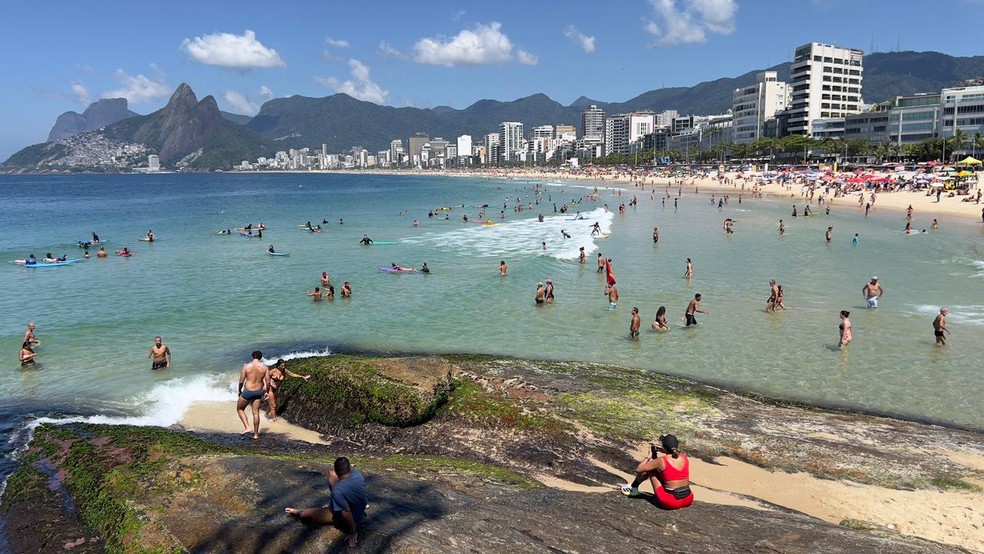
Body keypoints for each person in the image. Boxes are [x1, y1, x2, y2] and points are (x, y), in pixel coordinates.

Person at [285, 457, 368, 548]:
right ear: (349, 468)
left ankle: (297, 512)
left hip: (349, 516)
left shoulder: (337, 490)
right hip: (359, 506)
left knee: (305, 514)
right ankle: (337, 502)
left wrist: (353, 531)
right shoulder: (357, 474)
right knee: (330, 474)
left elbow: (346, 512)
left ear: (337, 470)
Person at [620, 434, 694, 509]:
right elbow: (673, 457)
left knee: (651, 470)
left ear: (664, 447)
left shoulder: (661, 461)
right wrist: (664, 450)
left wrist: (648, 457)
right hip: (688, 498)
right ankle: (633, 487)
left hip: (671, 501)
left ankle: (633, 488)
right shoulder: (683, 455)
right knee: (667, 473)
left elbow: (639, 469)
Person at [237, 351, 270, 439]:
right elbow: (268, 381)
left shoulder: (246, 366)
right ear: (261, 358)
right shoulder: (265, 367)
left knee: (240, 409)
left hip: (248, 391)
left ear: (252, 357)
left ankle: (247, 427)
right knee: (256, 412)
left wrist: (239, 390)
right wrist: (266, 392)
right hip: (258, 392)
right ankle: (256, 435)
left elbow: (241, 381)